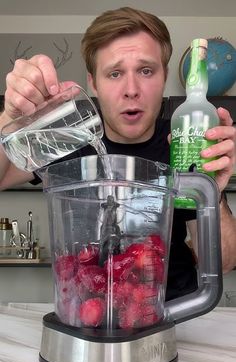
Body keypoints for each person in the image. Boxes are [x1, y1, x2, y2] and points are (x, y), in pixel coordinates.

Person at [0, 7, 236, 300]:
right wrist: (10, 116)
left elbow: (224, 263)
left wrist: (212, 189)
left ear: (163, 76)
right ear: (93, 83)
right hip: (85, 312)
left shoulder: (184, 143)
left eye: (146, 70)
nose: (131, 89)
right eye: (114, 73)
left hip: (174, 312)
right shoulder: (68, 138)